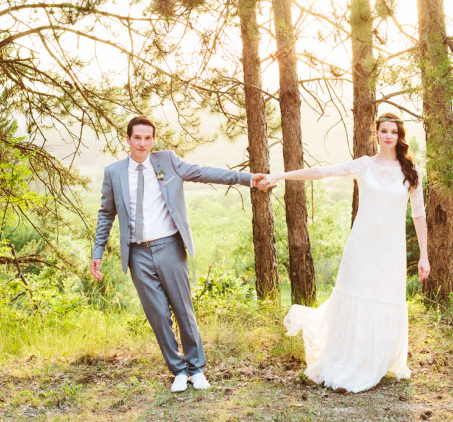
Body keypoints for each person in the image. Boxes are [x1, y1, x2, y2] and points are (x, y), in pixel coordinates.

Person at [90, 115, 267, 392]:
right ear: (127, 139)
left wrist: (247, 179)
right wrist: (98, 249)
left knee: (183, 310)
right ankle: (178, 371)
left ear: (154, 140)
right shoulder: (114, 173)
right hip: (137, 254)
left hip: (169, 247)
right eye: (137, 137)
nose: (142, 143)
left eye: (148, 138)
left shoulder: (167, 161)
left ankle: (197, 369)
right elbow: (106, 213)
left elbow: (204, 172)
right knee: (158, 314)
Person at [257, 113, 429, 392]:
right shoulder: (364, 165)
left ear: (400, 136)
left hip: (391, 250)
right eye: (384, 131)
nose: (388, 136)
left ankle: (379, 360)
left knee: (385, 299)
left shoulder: (411, 170)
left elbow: (419, 215)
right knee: (356, 296)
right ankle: (352, 360)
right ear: (376, 134)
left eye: (393, 132)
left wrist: (424, 255)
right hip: (361, 246)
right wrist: (280, 175)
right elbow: (322, 172)